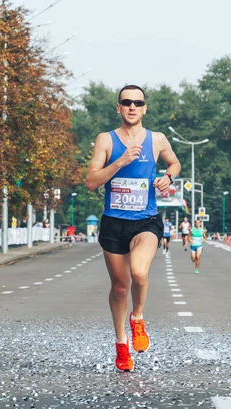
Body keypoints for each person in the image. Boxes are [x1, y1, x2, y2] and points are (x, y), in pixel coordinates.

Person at [85, 84, 181, 373]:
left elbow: (174, 163)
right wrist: (121, 161)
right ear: (118, 107)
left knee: (139, 272)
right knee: (120, 286)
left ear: (144, 108)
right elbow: (91, 182)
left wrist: (168, 177)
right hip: (114, 222)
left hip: (146, 220)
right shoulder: (105, 140)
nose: (132, 107)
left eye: (137, 103)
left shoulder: (157, 139)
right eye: (126, 102)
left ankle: (137, 318)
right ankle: (121, 345)